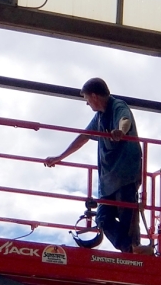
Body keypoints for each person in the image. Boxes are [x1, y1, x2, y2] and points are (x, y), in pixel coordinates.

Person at [44, 78, 152, 255]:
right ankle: (132, 249)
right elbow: (83, 137)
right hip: (108, 180)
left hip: (125, 175)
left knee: (127, 219)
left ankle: (134, 249)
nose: (86, 103)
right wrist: (59, 157)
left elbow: (125, 120)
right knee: (103, 217)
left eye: (86, 98)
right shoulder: (99, 117)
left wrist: (121, 131)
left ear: (94, 96)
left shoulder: (117, 106)